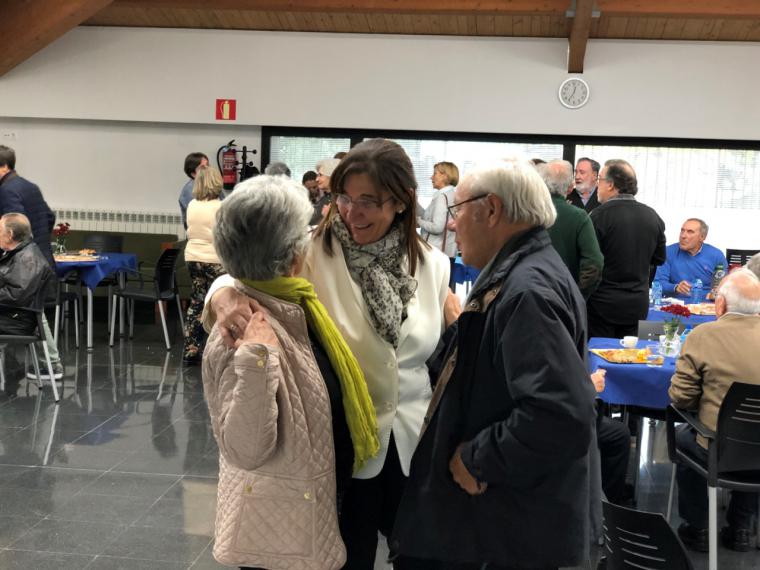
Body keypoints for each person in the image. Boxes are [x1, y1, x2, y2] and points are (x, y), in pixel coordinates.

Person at [204, 139, 455, 569]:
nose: (351, 213)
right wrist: (221, 297)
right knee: (349, 558)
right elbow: (241, 272)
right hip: (344, 445)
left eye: (367, 202)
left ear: (400, 202)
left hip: (413, 441)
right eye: (344, 198)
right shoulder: (310, 252)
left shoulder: (432, 265)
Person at [391, 159, 596, 570]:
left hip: (503, 523)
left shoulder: (528, 291)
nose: (452, 226)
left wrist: (477, 459)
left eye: (457, 211)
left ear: (492, 210)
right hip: (503, 519)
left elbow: (560, 413)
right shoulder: (519, 271)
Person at [203, 175, 370, 569]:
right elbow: (245, 449)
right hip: (278, 535)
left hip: (312, 511)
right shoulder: (242, 331)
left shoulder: (296, 306)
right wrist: (257, 359)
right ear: (294, 256)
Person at [669, 268, 760, 552]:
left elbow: (680, 398)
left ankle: (697, 528)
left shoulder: (703, 335)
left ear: (720, 304)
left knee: (686, 435)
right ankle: (741, 530)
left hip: (718, 449)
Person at [587, 159, 666, 338]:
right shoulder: (652, 216)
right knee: (629, 357)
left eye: (599, 179)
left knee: (599, 358)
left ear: (611, 184)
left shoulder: (598, 216)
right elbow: (659, 259)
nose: (596, 185)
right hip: (637, 305)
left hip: (601, 306)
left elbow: (589, 262)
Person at [0, 213, 59, 394]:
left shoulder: (27, 258)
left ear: (9, 235)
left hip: (18, 320)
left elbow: (16, 295)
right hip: (16, 315)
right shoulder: (22, 251)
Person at [538, 159, 603, 299]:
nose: (578, 176)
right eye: (576, 172)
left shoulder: (525, 213)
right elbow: (594, 263)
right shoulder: (578, 216)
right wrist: (577, 297)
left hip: (528, 296)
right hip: (565, 297)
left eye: (582, 172)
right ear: (569, 186)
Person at [182, 166, 226, 363]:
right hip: (215, 260)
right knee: (221, 304)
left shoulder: (192, 205)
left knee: (197, 302)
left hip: (193, 257)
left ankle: (191, 349)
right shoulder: (221, 207)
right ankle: (219, 350)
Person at [0, 145, 56, 268]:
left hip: (24, 268)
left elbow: (14, 230)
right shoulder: (31, 186)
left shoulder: (6, 190)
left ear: (4, 167)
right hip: (44, 260)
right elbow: (50, 217)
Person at [653, 218, 728, 298]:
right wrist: (675, 287)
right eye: (682, 231)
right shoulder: (668, 252)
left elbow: (724, 287)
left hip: (705, 305)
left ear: (702, 237)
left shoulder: (716, 255)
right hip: (675, 304)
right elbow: (658, 283)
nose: (683, 236)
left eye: (690, 232)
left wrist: (713, 294)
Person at [590, 369, 632, 505]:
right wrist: (588, 384)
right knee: (619, 436)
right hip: (551, 421)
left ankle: (607, 496)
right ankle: (609, 505)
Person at [417, 161, 458, 284]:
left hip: (435, 254)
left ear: (445, 176)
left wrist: (418, 221)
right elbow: (428, 217)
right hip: (447, 254)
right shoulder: (451, 195)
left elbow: (437, 227)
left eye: (435, 174)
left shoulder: (441, 197)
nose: (431, 177)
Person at [178, 152, 209, 230]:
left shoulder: (211, 185)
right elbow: (199, 218)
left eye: (208, 165)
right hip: (199, 235)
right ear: (193, 174)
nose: (208, 169)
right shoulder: (190, 190)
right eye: (202, 167)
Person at [309, 158, 341, 226]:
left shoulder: (341, 201)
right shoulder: (327, 197)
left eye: (320, 175)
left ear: (332, 176)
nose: (316, 179)